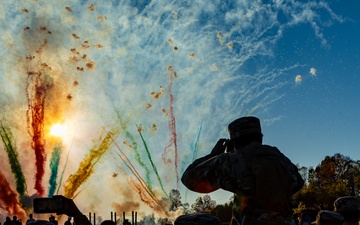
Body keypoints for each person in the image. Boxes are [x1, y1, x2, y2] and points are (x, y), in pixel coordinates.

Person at [181, 116, 304, 225]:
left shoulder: (230, 161)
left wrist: (213, 155)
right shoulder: (280, 158)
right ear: (260, 137)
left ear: (234, 141)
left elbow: (189, 178)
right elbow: (298, 182)